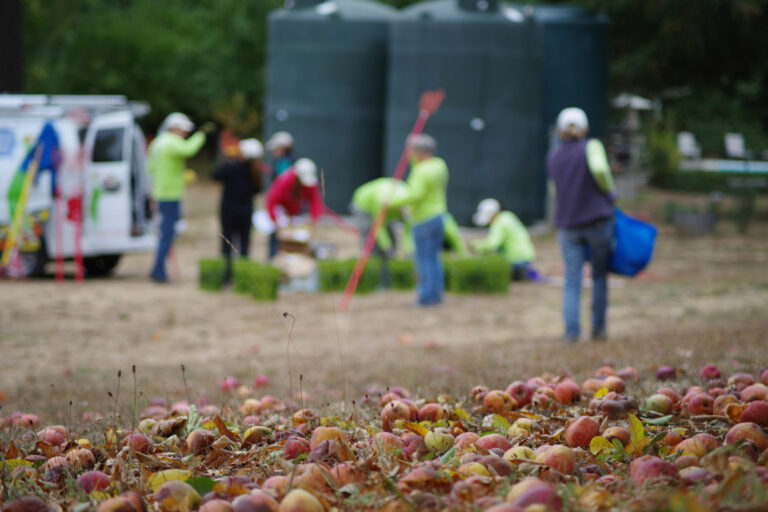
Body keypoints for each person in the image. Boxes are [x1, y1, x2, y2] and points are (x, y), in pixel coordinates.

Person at [547, 107, 616, 342]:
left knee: (572, 280)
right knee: (598, 275)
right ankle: (598, 328)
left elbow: (554, 189)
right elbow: (599, 169)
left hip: (568, 224)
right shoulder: (591, 146)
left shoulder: (553, 156)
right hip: (597, 220)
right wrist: (609, 192)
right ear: (584, 129)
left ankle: (572, 332)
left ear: (560, 130)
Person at [148, 112, 210, 283]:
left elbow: (152, 169)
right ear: (174, 129)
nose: (186, 134)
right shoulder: (171, 142)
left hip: (160, 192)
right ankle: (158, 270)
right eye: (184, 131)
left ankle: (158, 268)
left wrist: (179, 176)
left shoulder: (157, 143)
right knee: (168, 234)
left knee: (165, 233)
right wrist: (201, 135)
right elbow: (189, 149)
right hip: (170, 194)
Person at [390, 134, 449, 306]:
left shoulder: (421, 171)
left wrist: (391, 202)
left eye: (412, 152)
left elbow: (414, 195)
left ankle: (426, 297)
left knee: (423, 259)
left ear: (420, 153)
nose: (409, 156)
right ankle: (436, 294)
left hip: (423, 219)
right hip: (438, 216)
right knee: (433, 257)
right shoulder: (439, 165)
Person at [213, 138, 265, 283]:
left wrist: (229, 159)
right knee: (245, 245)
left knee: (227, 244)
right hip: (246, 212)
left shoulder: (231, 167)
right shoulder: (255, 171)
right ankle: (243, 276)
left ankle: (226, 277)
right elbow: (257, 190)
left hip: (228, 212)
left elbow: (215, 175)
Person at [350, 177, 410, 287]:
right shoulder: (383, 201)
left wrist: (408, 251)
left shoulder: (409, 198)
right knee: (369, 238)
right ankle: (370, 279)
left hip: (387, 208)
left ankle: (387, 279)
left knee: (389, 236)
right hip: (364, 205)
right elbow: (378, 226)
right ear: (399, 208)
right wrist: (387, 247)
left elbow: (408, 229)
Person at [264, 158, 324, 259]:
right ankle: (273, 258)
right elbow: (271, 201)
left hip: (295, 212)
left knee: (298, 238)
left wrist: (315, 218)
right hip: (281, 212)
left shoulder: (311, 184)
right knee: (277, 238)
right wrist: (275, 220)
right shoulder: (284, 180)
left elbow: (315, 201)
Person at [471, 198, 539, 281]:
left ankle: (520, 272)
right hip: (527, 257)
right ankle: (523, 271)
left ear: (493, 214)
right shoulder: (508, 216)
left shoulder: (499, 223)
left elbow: (492, 244)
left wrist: (474, 246)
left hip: (515, 259)